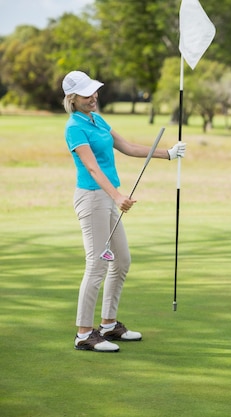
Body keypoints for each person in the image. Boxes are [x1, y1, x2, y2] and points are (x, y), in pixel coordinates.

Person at [62, 70, 186, 352]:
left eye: (94, 91)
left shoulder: (98, 119)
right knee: (97, 264)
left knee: (122, 260)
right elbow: (92, 168)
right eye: (86, 94)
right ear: (72, 98)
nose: (93, 97)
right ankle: (84, 334)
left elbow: (128, 147)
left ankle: (108, 325)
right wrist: (117, 196)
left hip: (107, 198)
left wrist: (168, 153)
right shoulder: (74, 127)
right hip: (93, 199)